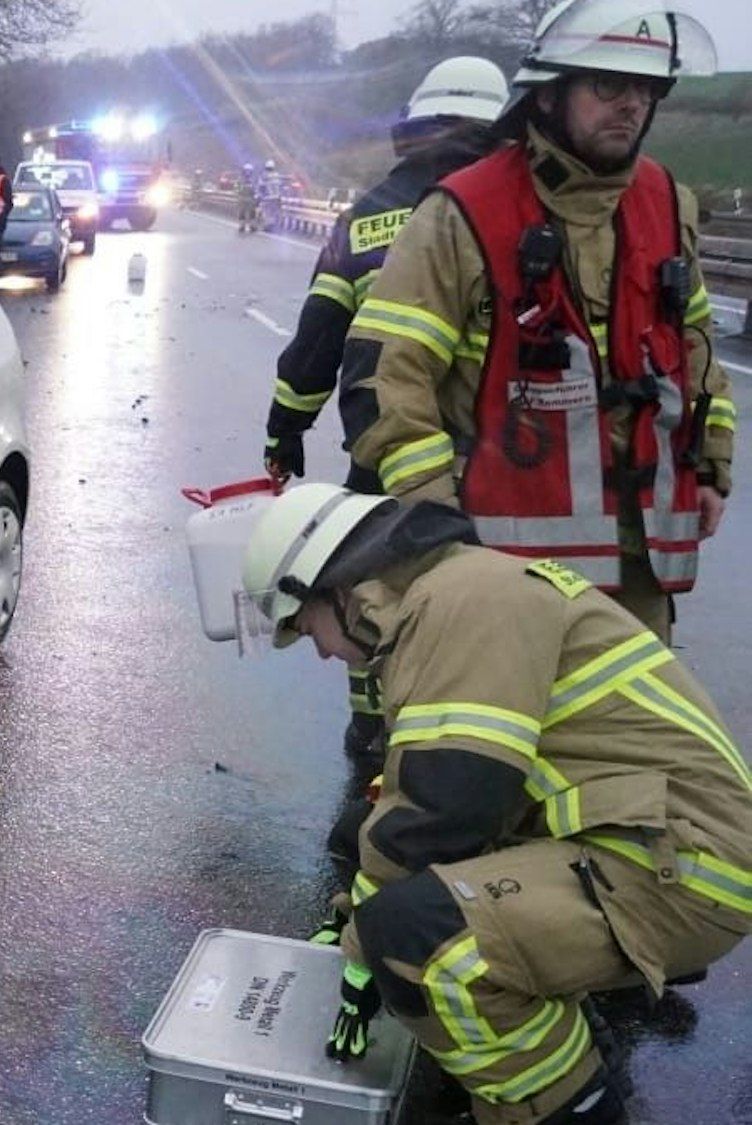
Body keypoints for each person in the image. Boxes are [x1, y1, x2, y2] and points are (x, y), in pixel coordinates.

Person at [239, 482, 752, 1125]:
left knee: (419, 942)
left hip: (682, 869)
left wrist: (363, 946)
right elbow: (423, 801)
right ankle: (558, 1031)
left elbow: (444, 806)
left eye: (306, 627)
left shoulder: (462, 604)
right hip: (640, 839)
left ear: (337, 590)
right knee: (366, 841)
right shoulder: (454, 591)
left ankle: (567, 1108)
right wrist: (353, 916)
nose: (320, 650)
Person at [338, 1, 733, 646]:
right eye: (608, 84)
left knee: (628, 738)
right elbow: (388, 374)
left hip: (641, 566)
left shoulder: (667, 203)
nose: (630, 103)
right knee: (504, 740)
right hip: (502, 563)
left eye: (644, 88)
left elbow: (693, 344)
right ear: (548, 96)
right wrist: (436, 521)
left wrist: (711, 468)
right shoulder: (464, 213)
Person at [262, 56, 510, 764]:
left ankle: (377, 738)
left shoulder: (365, 221)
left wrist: (285, 431)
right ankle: (478, 735)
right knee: (492, 604)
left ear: (413, 132)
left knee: (374, 595)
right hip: (504, 461)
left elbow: (318, 344)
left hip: (385, 453)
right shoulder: (514, 214)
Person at [235, 163, 258, 232]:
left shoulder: (253, 179)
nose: (248, 172)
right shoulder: (240, 179)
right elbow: (236, 188)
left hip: (249, 198)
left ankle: (251, 225)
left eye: (249, 171)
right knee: (242, 212)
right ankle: (242, 225)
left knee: (252, 212)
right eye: (247, 171)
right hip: (244, 198)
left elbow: (257, 188)